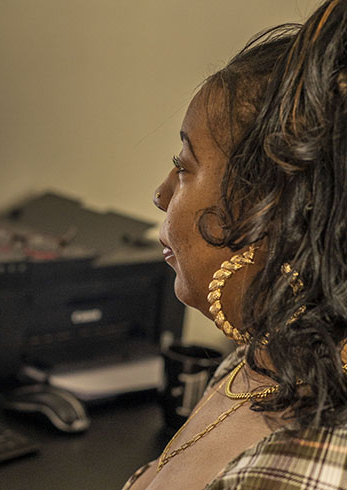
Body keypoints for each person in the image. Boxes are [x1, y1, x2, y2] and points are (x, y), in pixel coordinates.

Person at [124, 1, 347, 488]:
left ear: (272, 211)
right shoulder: (262, 360)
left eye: (185, 167)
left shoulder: (292, 470)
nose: (161, 195)